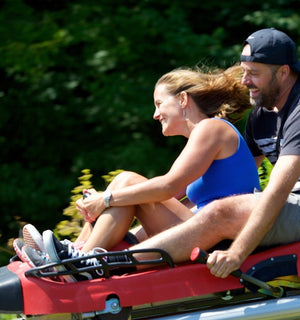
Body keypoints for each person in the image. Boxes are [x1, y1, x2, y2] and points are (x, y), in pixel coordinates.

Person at [27, 28, 300, 282]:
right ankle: (80, 256)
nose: (245, 81)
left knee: (221, 210)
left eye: (254, 74)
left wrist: (238, 252)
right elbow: (238, 175)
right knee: (154, 194)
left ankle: (95, 262)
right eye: (244, 71)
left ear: (283, 72)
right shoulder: (264, 116)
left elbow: (277, 190)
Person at [19, 65, 261, 281]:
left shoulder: (212, 129)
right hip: (206, 230)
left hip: (221, 238)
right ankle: (74, 252)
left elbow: (165, 187)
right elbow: (160, 198)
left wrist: (105, 199)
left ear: (183, 99)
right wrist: (108, 212)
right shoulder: (204, 136)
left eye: (159, 104)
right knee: (126, 187)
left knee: (127, 181)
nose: (155, 115)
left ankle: (75, 263)